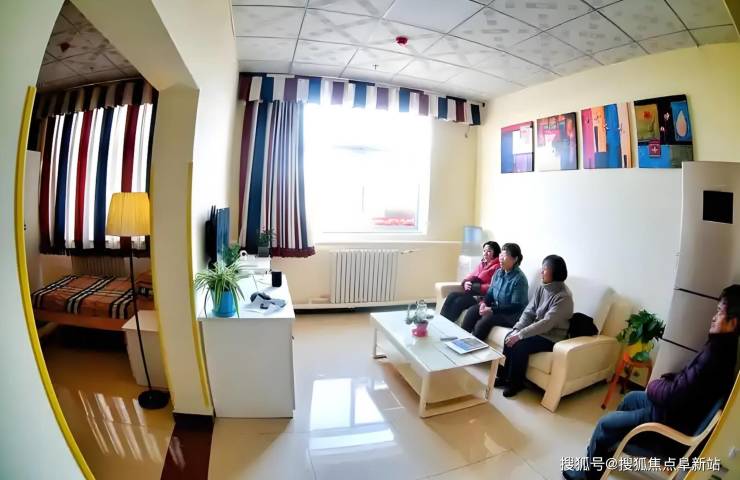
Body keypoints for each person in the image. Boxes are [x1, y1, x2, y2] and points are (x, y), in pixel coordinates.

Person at [563, 285, 740, 480]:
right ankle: (605, 454)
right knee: (630, 398)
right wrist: (668, 380)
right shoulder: (723, 349)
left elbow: (672, 395)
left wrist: (655, 384)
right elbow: (687, 383)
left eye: (719, 312)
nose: (714, 317)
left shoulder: (714, 357)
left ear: (733, 323)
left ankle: (589, 474)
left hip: (668, 424)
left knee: (605, 424)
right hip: (673, 414)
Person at [496, 254, 574, 398]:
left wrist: (521, 335)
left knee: (520, 344)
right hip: (537, 329)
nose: (541, 272)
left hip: (551, 336)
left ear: (555, 272)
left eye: (545, 269)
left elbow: (547, 323)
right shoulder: (542, 287)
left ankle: (515, 383)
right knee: (510, 336)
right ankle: (504, 376)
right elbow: (529, 311)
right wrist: (517, 329)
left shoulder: (564, 297)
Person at [461, 243, 528, 341]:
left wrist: (492, 310)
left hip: (511, 315)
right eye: (501, 255)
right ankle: (461, 339)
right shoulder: (498, 273)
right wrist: (484, 303)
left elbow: (516, 306)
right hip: (497, 308)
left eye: (504, 256)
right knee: (473, 311)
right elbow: (490, 293)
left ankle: (472, 346)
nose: (500, 259)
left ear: (515, 259)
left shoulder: (519, 279)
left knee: (485, 321)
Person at [440, 241, 501, 322]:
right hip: (473, 293)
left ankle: (449, 324)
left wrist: (476, 287)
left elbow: (493, 287)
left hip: (482, 298)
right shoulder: (482, 263)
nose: (485, 253)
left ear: (495, 252)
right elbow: (471, 275)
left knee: (459, 301)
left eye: (489, 251)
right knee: (452, 295)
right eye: (484, 251)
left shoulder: (498, 267)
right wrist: (465, 282)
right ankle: (441, 321)